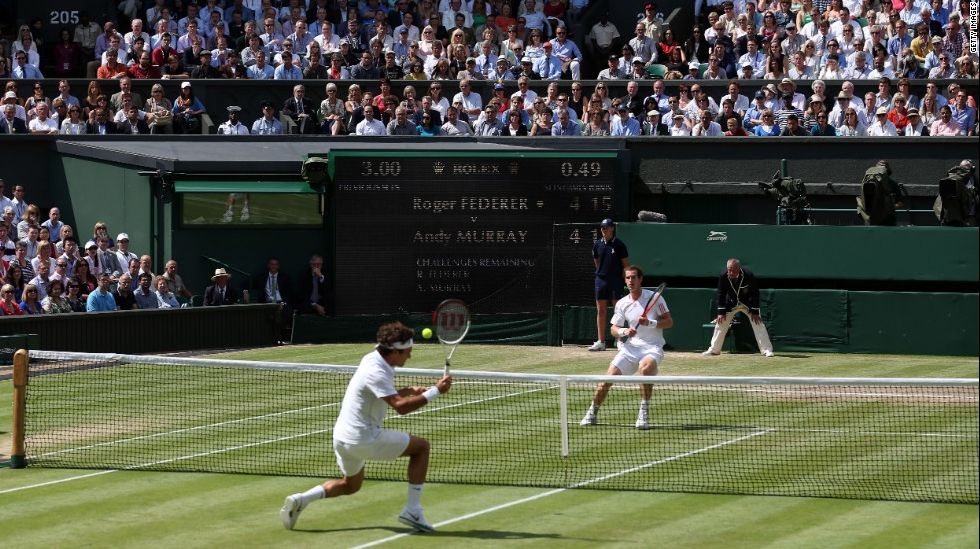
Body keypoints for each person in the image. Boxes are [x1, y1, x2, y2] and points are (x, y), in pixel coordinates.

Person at [280, 321, 452, 532]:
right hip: (363, 438)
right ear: (395, 352)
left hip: (342, 437)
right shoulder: (377, 371)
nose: (410, 356)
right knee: (422, 447)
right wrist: (435, 391)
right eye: (408, 351)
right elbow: (400, 408)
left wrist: (406, 390)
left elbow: (377, 393)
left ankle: (300, 500)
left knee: (350, 485)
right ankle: (413, 510)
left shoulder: (373, 359)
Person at [580, 265, 673, 430]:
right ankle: (592, 412)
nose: (631, 281)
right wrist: (624, 331)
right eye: (628, 278)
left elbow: (669, 322)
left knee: (646, 369)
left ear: (640, 279)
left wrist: (649, 323)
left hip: (652, 347)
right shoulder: (622, 304)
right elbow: (613, 329)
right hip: (630, 348)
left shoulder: (656, 298)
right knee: (606, 380)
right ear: (625, 280)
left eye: (634, 277)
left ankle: (643, 414)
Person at [703, 258, 775, 357]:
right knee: (721, 322)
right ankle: (714, 350)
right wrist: (721, 312)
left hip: (747, 304)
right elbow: (721, 293)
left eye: (733, 270)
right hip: (731, 303)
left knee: (758, 323)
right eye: (729, 269)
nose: (730, 272)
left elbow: (755, 292)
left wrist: (754, 311)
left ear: (739, 268)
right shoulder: (724, 275)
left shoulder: (748, 274)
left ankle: (767, 350)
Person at [589, 218, 629, 352]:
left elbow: (626, 266)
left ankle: (619, 341)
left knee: (618, 311)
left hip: (616, 280)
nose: (603, 230)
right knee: (601, 310)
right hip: (601, 280)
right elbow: (597, 262)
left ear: (612, 228)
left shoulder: (619, 245)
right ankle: (601, 342)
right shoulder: (597, 245)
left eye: (606, 227)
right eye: (602, 227)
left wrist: (625, 280)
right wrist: (602, 274)